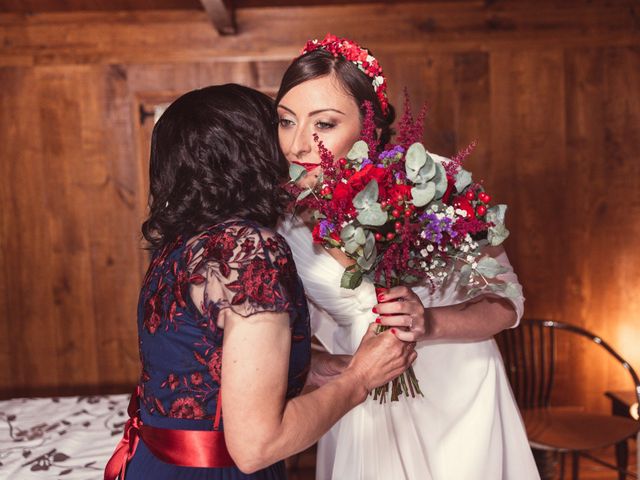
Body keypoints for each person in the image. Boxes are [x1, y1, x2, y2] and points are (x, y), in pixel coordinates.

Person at [103, 84, 417, 480]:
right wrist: (361, 378)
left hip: (153, 464)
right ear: (253, 152)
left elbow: (202, 362)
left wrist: (309, 368)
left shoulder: (181, 246)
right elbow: (257, 446)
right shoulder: (249, 249)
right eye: (279, 128)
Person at [275, 35, 540, 479]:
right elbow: (284, 332)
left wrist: (429, 322)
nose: (299, 145)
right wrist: (325, 366)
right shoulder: (280, 218)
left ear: (371, 124)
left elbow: (508, 302)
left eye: (322, 124)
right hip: (362, 400)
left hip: (459, 397)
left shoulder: (439, 182)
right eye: (286, 121)